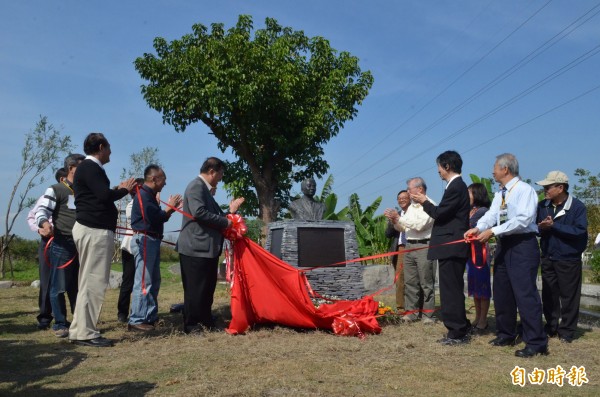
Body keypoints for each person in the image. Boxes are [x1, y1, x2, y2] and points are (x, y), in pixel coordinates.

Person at [465, 153, 548, 358]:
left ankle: (536, 342)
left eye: (494, 167)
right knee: (502, 291)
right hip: (504, 244)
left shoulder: (524, 190)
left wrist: (493, 232)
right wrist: (478, 228)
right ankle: (506, 333)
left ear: (505, 169)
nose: (492, 171)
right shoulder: (500, 193)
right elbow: (492, 215)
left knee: (525, 294)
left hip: (522, 245)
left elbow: (523, 219)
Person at [69, 133, 136, 347]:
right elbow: (103, 196)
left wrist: (116, 189)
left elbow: (101, 193)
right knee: (94, 282)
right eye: (108, 147)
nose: (111, 152)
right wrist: (125, 189)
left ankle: (80, 329)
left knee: (88, 281)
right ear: (101, 147)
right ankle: (85, 333)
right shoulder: (91, 168)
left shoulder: (88, 169)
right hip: (94, 230)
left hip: (91, 229)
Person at [176, 157, 244, 333]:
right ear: (212, 171)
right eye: (220, 173)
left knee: (206, 288)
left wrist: (230, 214)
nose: (221, 178)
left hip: (206, 248)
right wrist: (226, 222)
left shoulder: (206, 190)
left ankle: (205, 320)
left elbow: (215, 216)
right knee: (195, 289)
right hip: (195, 247)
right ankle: (192, 325)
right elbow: (199, 213)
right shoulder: (196, 186)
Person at [411, 151, 471, 345]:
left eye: (439, 166)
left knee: (450, 291)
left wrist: (424, 201)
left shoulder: (456, 187)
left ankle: (457, 332)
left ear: (447, 166)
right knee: (450, 289)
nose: (437, 171)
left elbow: (440, 213)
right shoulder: (454, 186)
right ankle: (459, 327)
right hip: (449, 248)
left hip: (451, 247)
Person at [35, 154, 85, 338]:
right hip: (62, 243)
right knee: (58, 286)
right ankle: (60, 323)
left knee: (77, 286)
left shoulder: (83, 191)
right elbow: (41, 210)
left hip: (81, 244)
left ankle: (80, 321)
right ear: (71, 168)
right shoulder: (56, 189)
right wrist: (44, 223)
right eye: (82, 167)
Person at [128, 165, 182, 332]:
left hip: (151, 240)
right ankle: (137, 319)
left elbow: (157, 218)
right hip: (145, 239)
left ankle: (149, 316)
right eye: (163, 180)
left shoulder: (148, 195)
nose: (165, 184)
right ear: (154, 179)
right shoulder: (143, 195)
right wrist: (169, 209)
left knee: (153, 281)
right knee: (144, 281)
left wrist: (168, 210)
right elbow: (157, 218)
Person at [536, 170, 588, 343]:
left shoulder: (577, 207)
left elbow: (579, 231)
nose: (545, 190)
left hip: (568, 259)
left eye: (548, 186)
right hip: (548, 257)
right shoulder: (543, 206)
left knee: (569, 296)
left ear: (560, 187)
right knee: (549, 295)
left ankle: (566, 331)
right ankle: (551, 326)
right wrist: (541, 228)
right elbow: (535, 227)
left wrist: (554, 226)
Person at [384, 177, 435, 324]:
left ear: (420, 189)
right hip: (409, 246)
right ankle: (411, 312)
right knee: (410, 281)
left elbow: (419, 225)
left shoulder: (430, 205)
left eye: (409, 189)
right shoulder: (411, 207)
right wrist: (395, 221)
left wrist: (399, 217)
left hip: (424, 246)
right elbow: (404, 228)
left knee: (426, 281)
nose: (408, 191)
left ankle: (427, 315)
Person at [27, 167, 67, 330]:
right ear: (63, 179)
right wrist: (40, 229)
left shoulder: (73, 197)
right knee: (47, 280)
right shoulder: (47, 196)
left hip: (65, 243)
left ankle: (62, 318)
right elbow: (31, 216)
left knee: (64, 282)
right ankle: (44, 318)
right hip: (48, 242)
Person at [117, 178, 145, 323]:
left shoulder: (144, 202)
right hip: (130, 246)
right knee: (128, 280)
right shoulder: (132, 205)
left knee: (141, 281)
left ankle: (139, 310)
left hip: (141, 244)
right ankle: (122, 312)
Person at [465, 183, 492, 334]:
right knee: (474, 286)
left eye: (469, 193)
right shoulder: (469, 210)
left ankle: (484, 319)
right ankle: (477, 317)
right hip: (470, 253)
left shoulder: (483, 211)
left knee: (483, 286)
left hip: (480, 253)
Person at [384, 190, 410, 311]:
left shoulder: (414, 213)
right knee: (400, 279)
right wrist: (392, 221)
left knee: (412, 279)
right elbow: (388, 234)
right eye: (399, 198)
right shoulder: (397, 214)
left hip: (412, 247)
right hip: (400, 248)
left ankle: (414, 305)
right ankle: (401, 307)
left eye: (404, 197)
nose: (402, 200)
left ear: (410, 199)